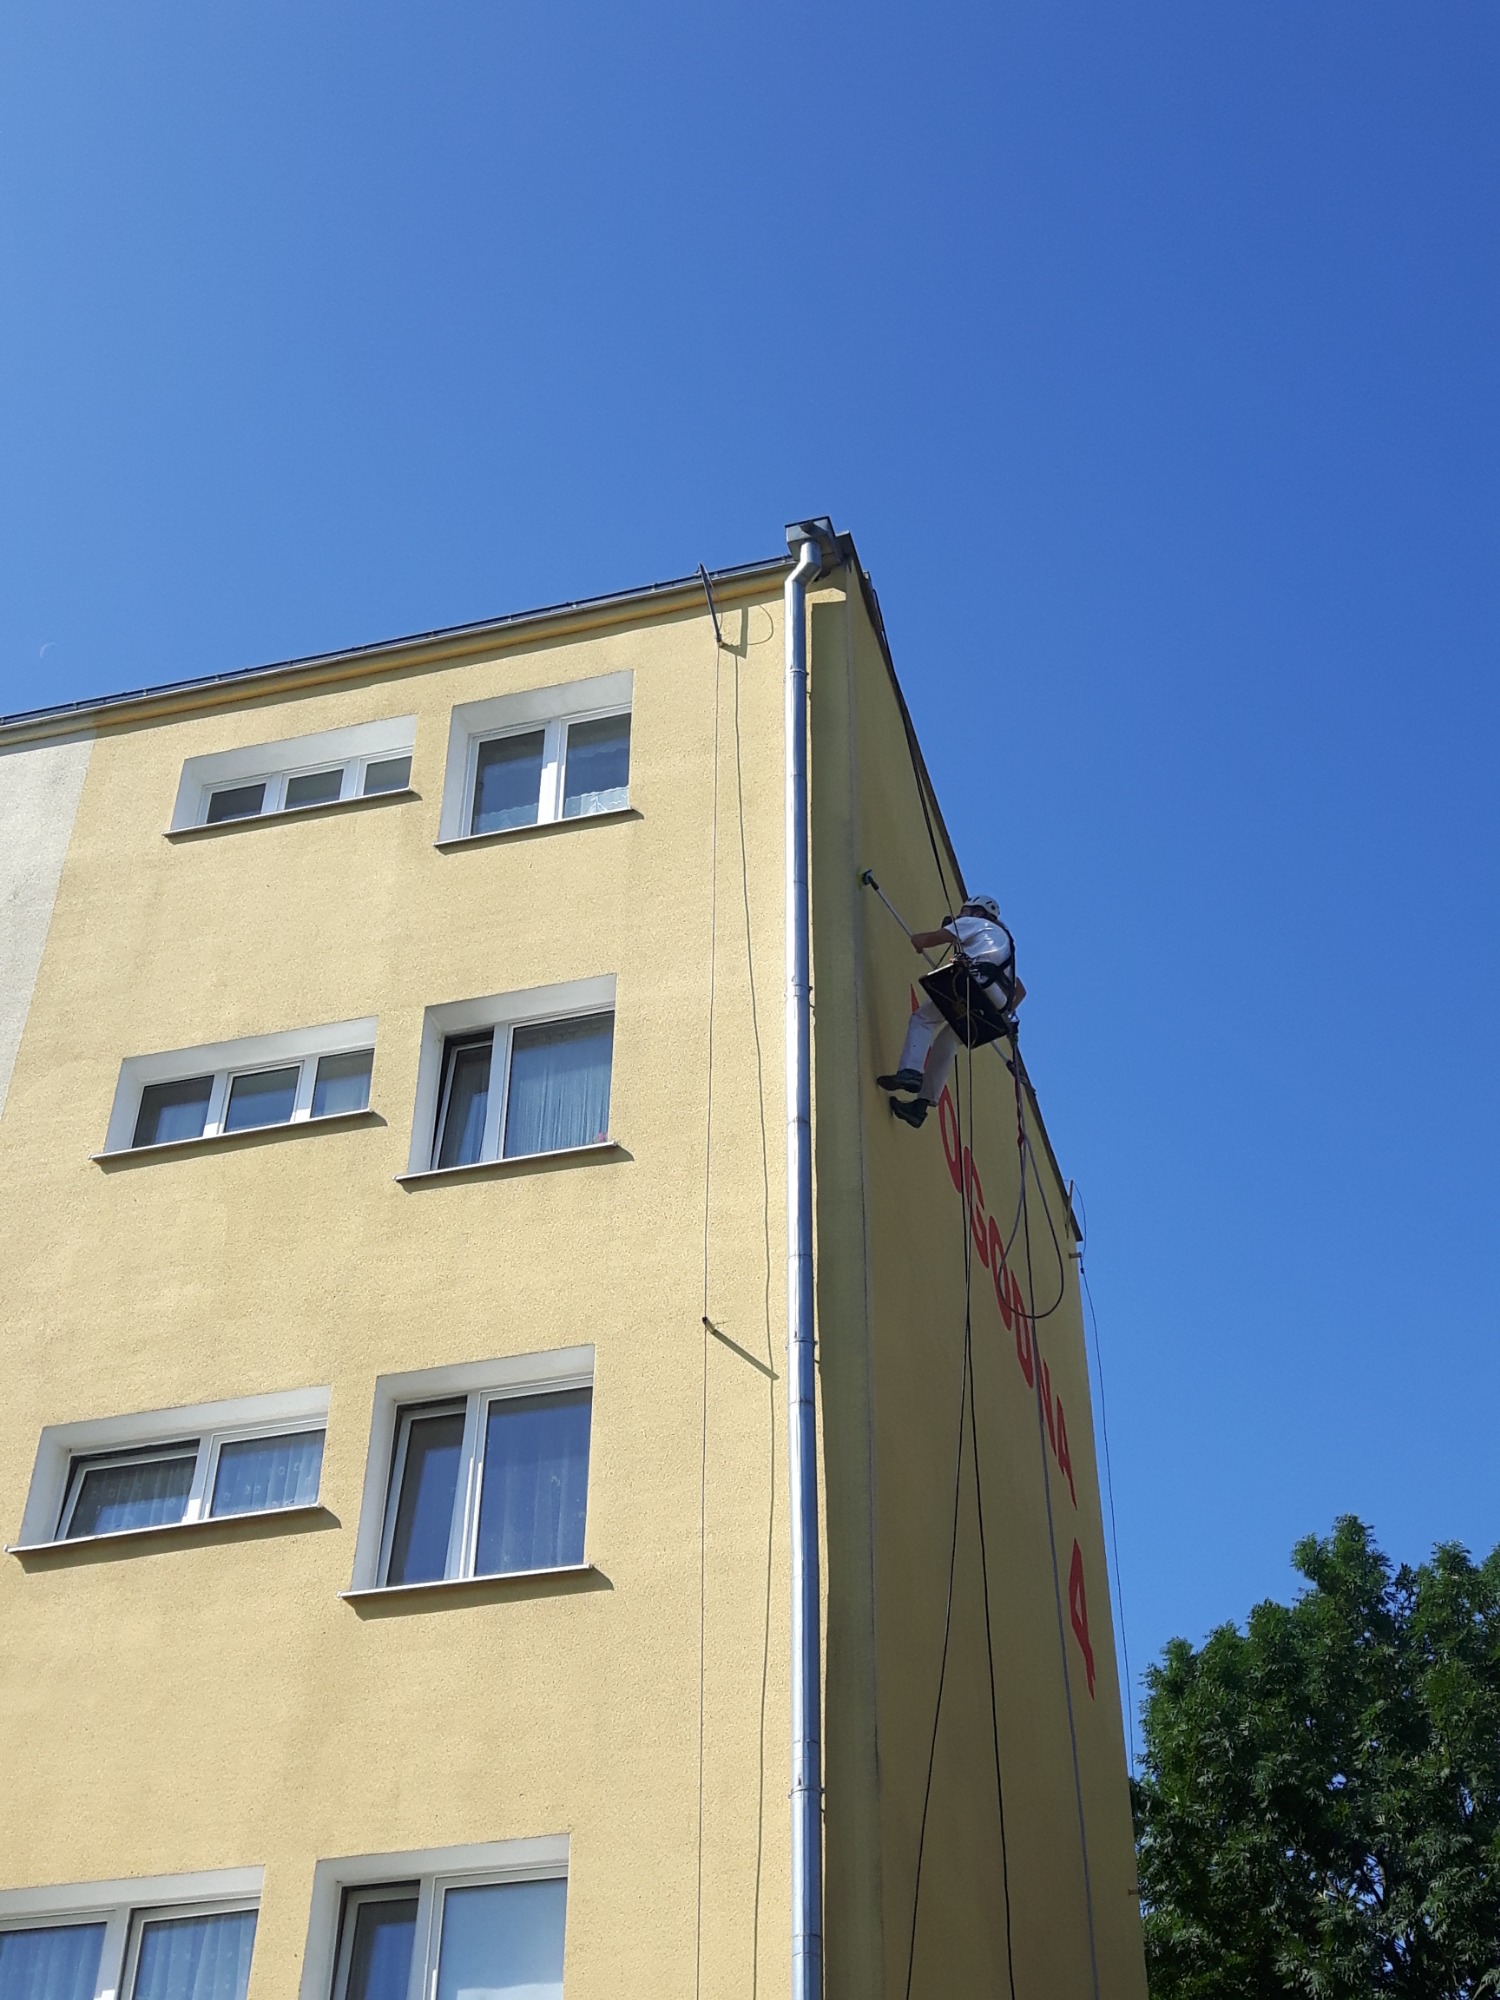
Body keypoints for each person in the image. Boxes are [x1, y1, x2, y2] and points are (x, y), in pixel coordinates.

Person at [876, 894, 1023, 1127]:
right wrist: (1000, 1012)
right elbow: (1020, 991)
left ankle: (911, 1071)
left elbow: (931, 939)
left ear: (978, 912)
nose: (960, 915)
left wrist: (917, 941)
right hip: (993, 1002)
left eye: (964, 911)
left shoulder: (974, 923)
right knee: (947, 1042)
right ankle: (920, 1106)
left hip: (973, 984)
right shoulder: (1002, 943)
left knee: (923, 1020)